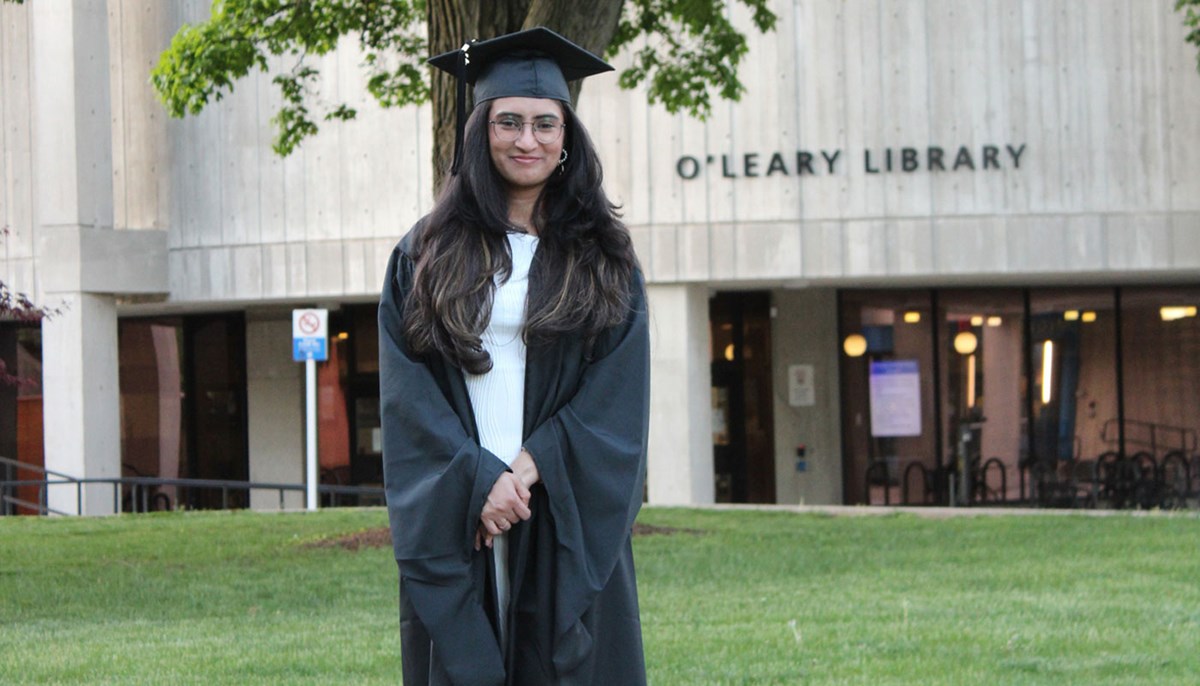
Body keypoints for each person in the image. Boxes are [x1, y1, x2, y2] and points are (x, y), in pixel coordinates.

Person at [378, 27, 650, 686]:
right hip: (462, 495)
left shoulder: (603, 257)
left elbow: (617, 392)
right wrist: (479, 481)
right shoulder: (426, 252)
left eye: (544, 125)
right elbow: (406, 392)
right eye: (508, 122)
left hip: (556, 498)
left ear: (566, 141)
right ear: (480, 132)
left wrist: (530, 470)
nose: (526, 140)